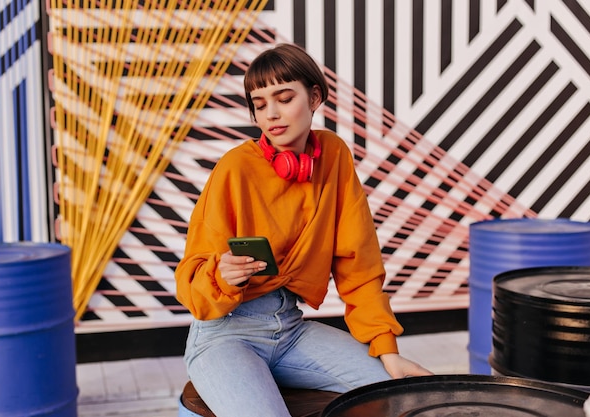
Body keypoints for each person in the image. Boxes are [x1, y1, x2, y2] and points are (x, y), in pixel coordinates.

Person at [175, 43, 432, 417]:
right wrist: (222, 274)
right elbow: (192, 280)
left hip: (291, 328)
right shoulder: (234, 169)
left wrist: (386, 348)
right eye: (260, 104)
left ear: (314, 97)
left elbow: (357, 263)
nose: (272, 114)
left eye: (284, 98)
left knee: (400, 397)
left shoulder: (333, 155)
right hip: (225, 333)